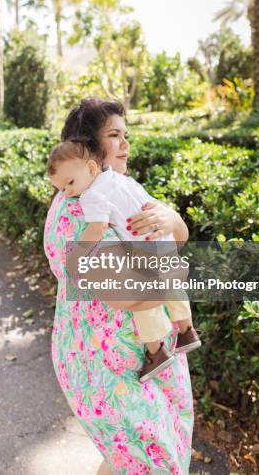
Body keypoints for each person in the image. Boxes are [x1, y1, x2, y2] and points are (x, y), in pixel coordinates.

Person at [44, 98, 194, 474]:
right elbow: (129, 294)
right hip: (107, 369)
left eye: (126, 134)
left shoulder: (118, 189)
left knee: (131, 461)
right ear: (88, 150)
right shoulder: (77, 212)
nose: (126, 144)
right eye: (114, 136)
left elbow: (177, 237)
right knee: (153, 464)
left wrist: (172, 219)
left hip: (149, 354)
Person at [46, 138, 201, 383]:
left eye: (70, 183)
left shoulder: (91, 195)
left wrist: (78, 254)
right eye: (62, 189)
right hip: (163, 239)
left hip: (144, 251)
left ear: (90, 168)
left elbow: (97, 228)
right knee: (172, 286)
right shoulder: (120, 178)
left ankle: (156, 352)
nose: (67, 193)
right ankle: (187, 330)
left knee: (145, 305)